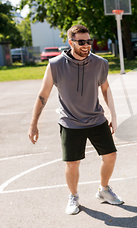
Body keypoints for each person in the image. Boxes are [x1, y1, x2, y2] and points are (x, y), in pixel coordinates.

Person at [28, 25, 124, 215]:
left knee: (110, 156)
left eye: (89, 41)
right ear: (71, 42)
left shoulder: (100, 63)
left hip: (96, 119)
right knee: (72, 163)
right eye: (81, 42)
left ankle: (104, 190)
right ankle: (73, 196)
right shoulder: (55, 65)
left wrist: (113, 115)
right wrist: (33, 124)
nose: (87, 45)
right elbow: (43, 94)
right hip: (70, 122)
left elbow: (105, 89)